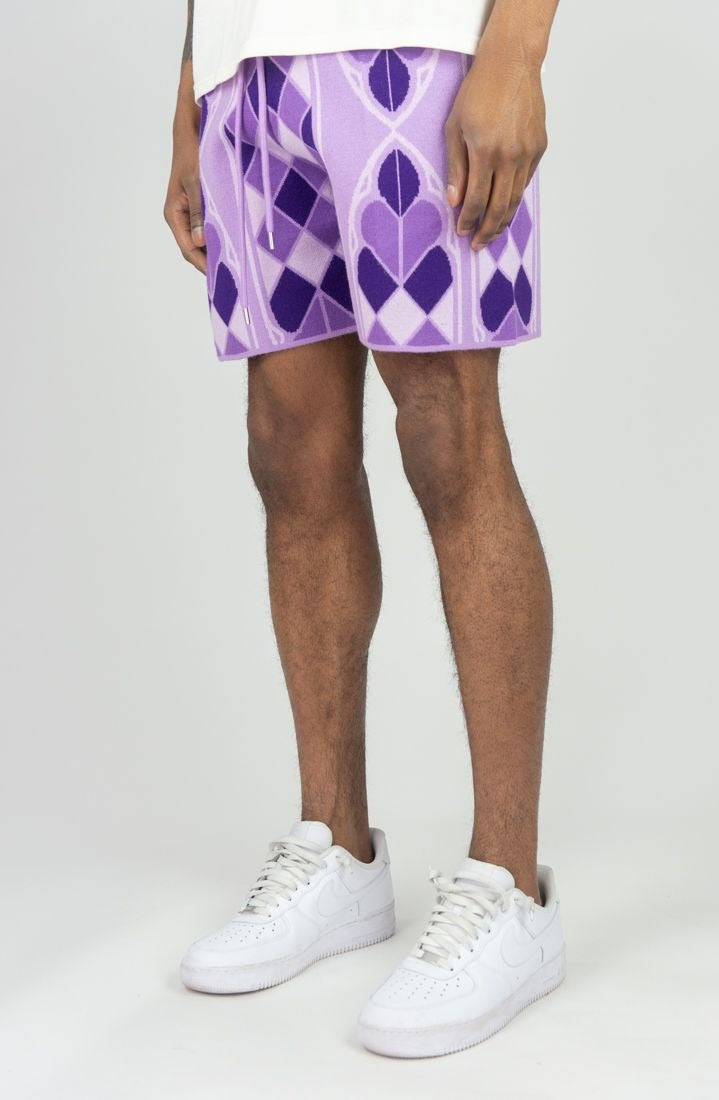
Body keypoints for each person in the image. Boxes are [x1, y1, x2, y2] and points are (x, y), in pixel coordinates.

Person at [165, 0, 563, 1059]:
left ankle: (510, 886)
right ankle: (337, 850)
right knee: (288, 448)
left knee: (448, 437)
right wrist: (190, 88)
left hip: (418, 51)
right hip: (249, 78)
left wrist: (518, 46)